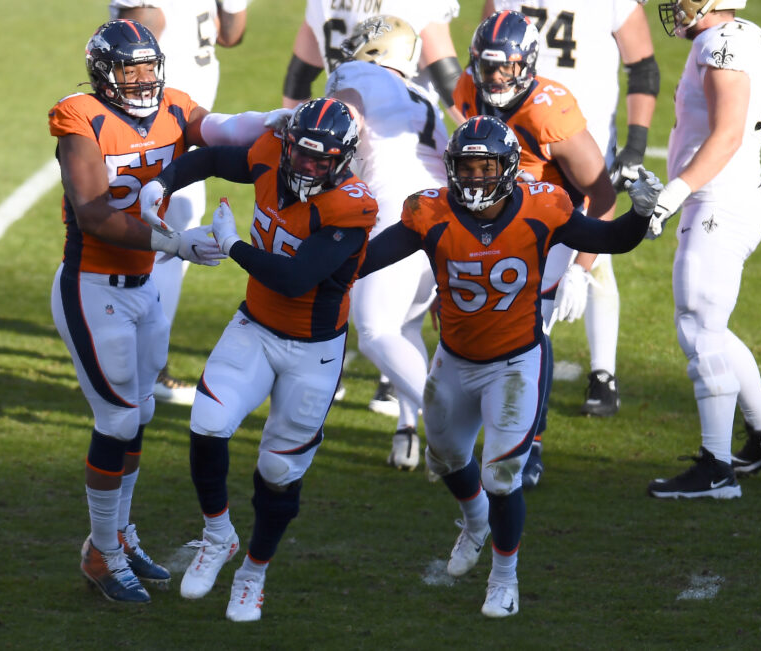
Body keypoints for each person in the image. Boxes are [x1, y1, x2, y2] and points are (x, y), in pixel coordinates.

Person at [358, 115, 663, 617]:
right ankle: (475, 521)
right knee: (446, 458)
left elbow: (606, 240)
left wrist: (638, 217)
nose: (475, 178)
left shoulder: (545, 206)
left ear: (507, 168)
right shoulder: (428, 211)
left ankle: (504, 577)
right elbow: (368, 257)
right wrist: (320, 255)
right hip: (454, 360)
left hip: (516, 362)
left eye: (485, 168)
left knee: (502, 475)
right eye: (466, 168)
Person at [49, 19, 290, 603]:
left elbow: (222, 128)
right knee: (118, 420)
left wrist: (275, 120)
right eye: (130, 70)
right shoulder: (79, 116)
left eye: (149, 68)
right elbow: (92, 212)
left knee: (142, 411)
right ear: (104, 73)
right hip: (92, 282)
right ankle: (102, 552)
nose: (143, 80)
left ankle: (117, 535)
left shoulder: (174, 108)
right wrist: (175, 244)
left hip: (144, 284)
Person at [145, 98, 376, 621]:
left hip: (312, 351)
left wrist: (231, 245)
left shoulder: (352, 205)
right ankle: (217, 533)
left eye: (322, 160)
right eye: (302, 154)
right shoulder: (274, 152)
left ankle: (253, 572)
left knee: (277, 470)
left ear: (343, 161)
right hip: (254, 325)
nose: (308, 167)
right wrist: (164, 182)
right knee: (206, 421)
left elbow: (295, 280)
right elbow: (211, 158)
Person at [452, 10, 618, 487]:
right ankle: (473, 428)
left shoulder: (548, 109)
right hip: (494, 221)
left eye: (507, 67)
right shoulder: (469, 89)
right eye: (488, 66)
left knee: (528, 335)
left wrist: (582, 270)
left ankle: (529, 444)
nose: (496, 77)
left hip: (551, 228)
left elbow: (602, 195)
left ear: (526, 64)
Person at [644, 0, 761, 499]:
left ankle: (716, 469)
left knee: (697, 326)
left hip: (717, 201)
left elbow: (728, 135)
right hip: (731, 197)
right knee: (709, 325)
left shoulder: (721, 45)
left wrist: (677, 190)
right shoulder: (740, 33)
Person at [483, 0, 659, 419]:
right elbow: (488, 48)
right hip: (521, 133)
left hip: (582, 135)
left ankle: (599, 373)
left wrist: (634, 146)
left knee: (590, 253)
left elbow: (643, 66)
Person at [322, 15, 449, 471]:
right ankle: (409, 430)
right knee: (406, 328)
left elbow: (337, 130)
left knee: (375, 332)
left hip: (397, 215)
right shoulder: (426, 98)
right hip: (444, 221)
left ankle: (447, 426)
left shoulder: (356, 77)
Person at [108, 0, 248, 405]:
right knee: (164, 243)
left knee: (165, 242)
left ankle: (143, 364)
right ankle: (143, 365)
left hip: (169, 124)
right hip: (171, 125)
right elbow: (229, 32)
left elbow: (221, 33)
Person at [283, 0, 464, 116]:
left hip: (343, 138)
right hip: (403, 137)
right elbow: (449, 81)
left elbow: (298, 77)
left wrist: (293, 136)